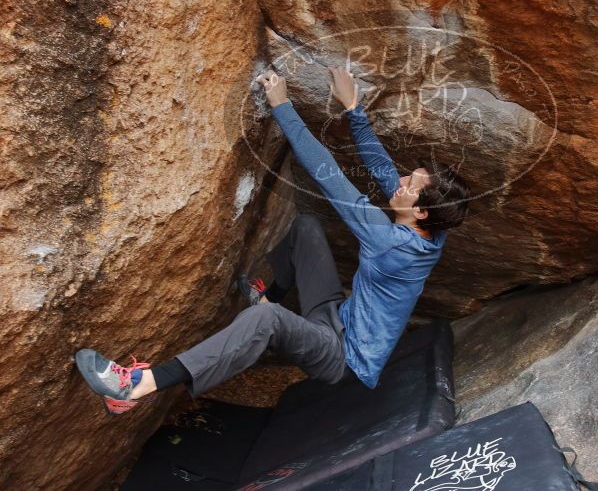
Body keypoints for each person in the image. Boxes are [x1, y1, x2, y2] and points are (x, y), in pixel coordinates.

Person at [75, 66, 471, 414]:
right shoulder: (432, 229)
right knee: (307, 230)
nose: (400, 181)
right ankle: (269, 297)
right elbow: (382, 168)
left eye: (410, 185)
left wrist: (282, 105)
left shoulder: (391, 242)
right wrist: (354, 108)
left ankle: (137, 387)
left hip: (343, 358)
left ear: (420, 212)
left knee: (267, 321)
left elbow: (327, 173)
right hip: (337, 319)